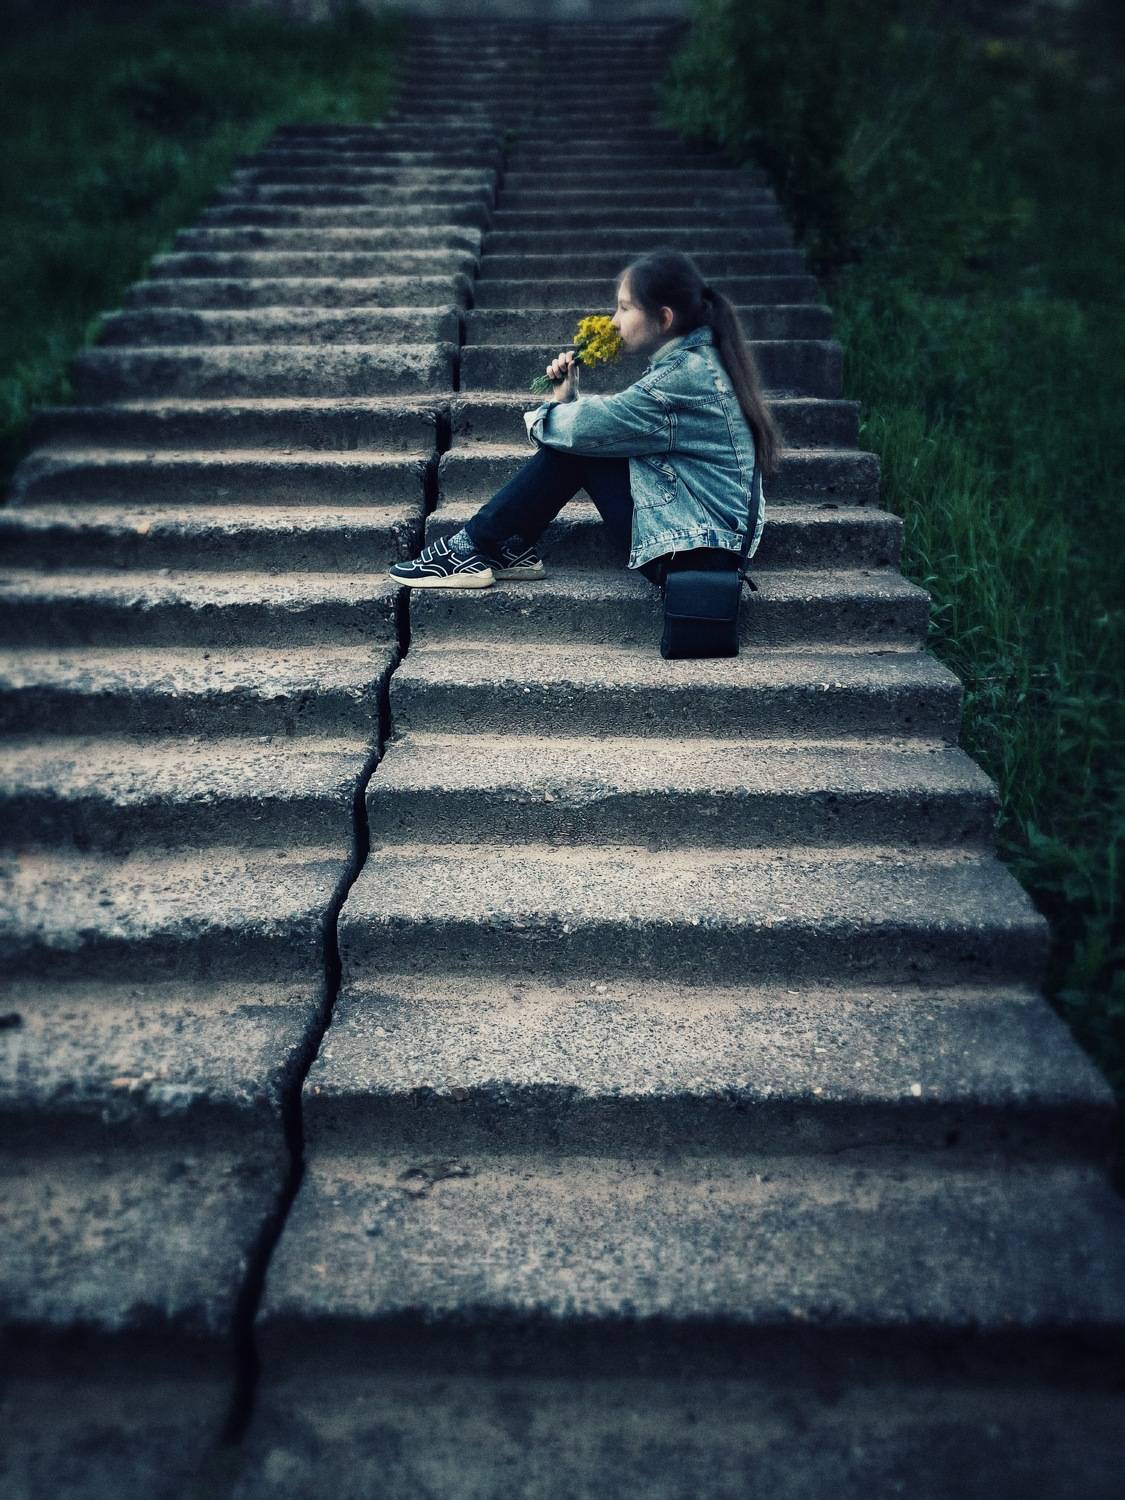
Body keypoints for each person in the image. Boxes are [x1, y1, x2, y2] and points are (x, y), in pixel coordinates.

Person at [388, 246, 782, 591]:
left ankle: (473, 547)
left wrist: (554, 412)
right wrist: (568, 399)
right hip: (708, 543)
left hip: (699, 556)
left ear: (664, 319)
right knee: (585, 443)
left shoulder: (682, 378)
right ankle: (504, 546)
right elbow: (612, 424)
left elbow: (588, 429)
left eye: (625, 308)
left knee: (576, 448)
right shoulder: (698, 364)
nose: (613, 321)